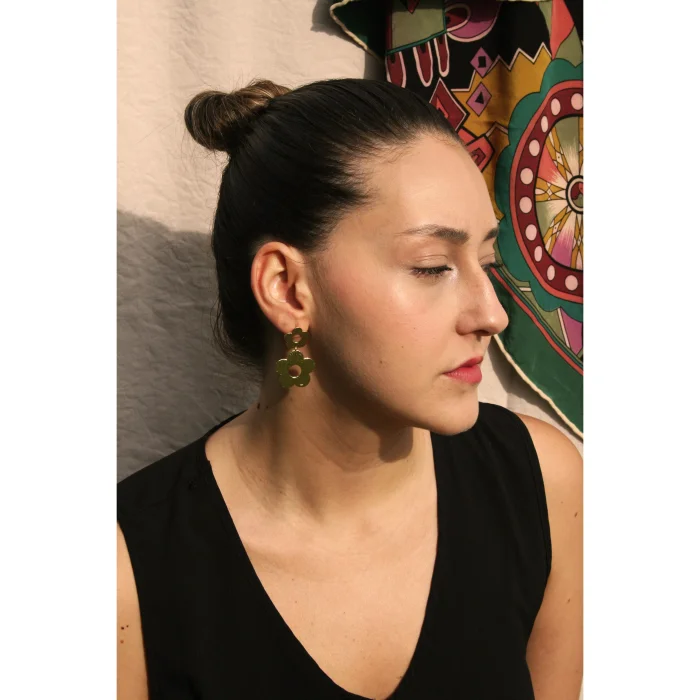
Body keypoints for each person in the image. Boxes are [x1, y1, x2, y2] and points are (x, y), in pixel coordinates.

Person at [117, 77, 583, 700]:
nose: (492, 315)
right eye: (432, 267)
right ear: (287, 288)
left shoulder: (540, 484)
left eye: (488, 262)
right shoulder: (125, 572)